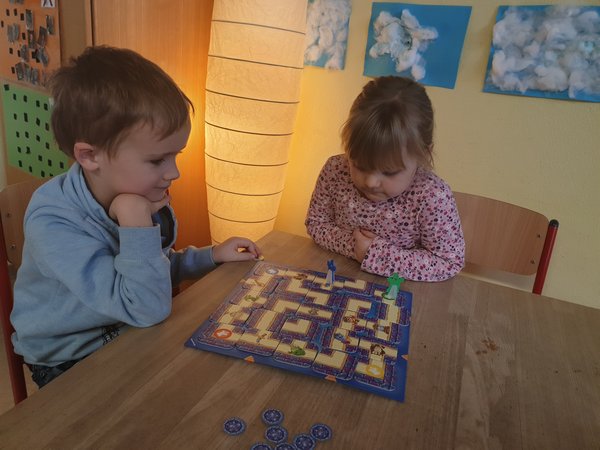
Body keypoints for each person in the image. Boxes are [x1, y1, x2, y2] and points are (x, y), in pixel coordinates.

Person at [10, 46, 262, 388]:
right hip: (69, 357)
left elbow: (151, 272)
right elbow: (144, 305)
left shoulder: (137, 198)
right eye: (158, 160)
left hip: (131, 328)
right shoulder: (53, 221)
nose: (173, 172)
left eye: (176, 155)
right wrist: (134, 221)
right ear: (90, 156)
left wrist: (209, 257)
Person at [305, 76, 464, 282]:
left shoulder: (432, 195)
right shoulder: (336, 170)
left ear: (422, 156)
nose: (370, 182)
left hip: (399, 292)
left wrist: (375, 255)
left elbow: (448, 261)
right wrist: (354, 247)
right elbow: (316, 223)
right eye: (359, 165)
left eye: (389, 172)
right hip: (339, 278)